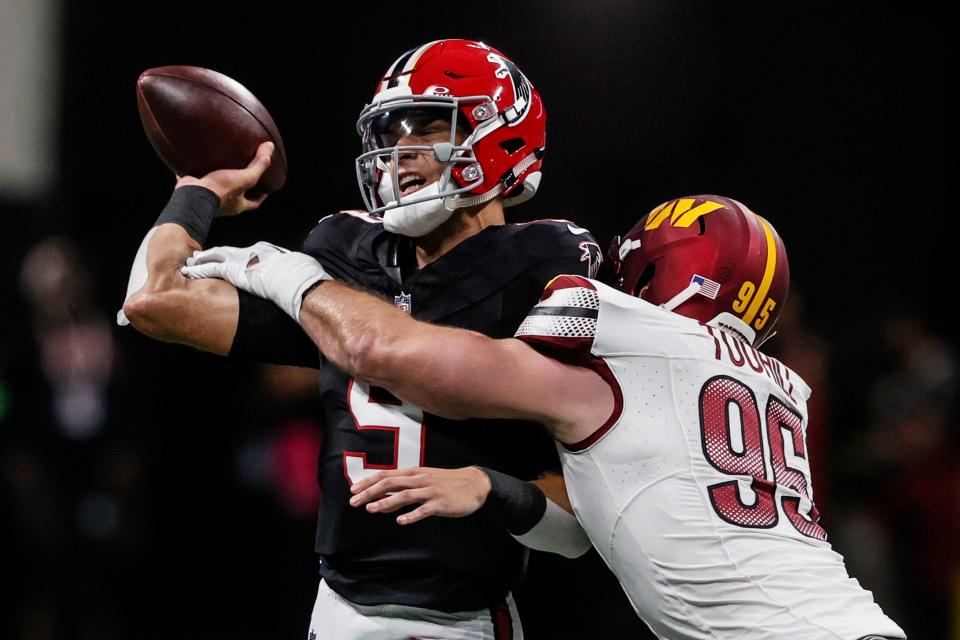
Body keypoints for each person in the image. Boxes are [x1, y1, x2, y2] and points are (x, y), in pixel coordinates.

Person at [180, 194, 906, 639]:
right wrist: (492, 486)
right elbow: (587, 525)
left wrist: (280, 269)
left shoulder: (624, 331)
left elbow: (392, 350)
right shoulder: (780, 385)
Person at [120, 39, 616, 639]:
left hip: (461, 620)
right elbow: (153, 298)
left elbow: (582, 528)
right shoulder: (347, 252)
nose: (397, 155)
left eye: (428, 128)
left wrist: (490, 490)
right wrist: (196, 190)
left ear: (499, 135)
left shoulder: (549, 265)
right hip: (336, 608)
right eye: (389, 134)